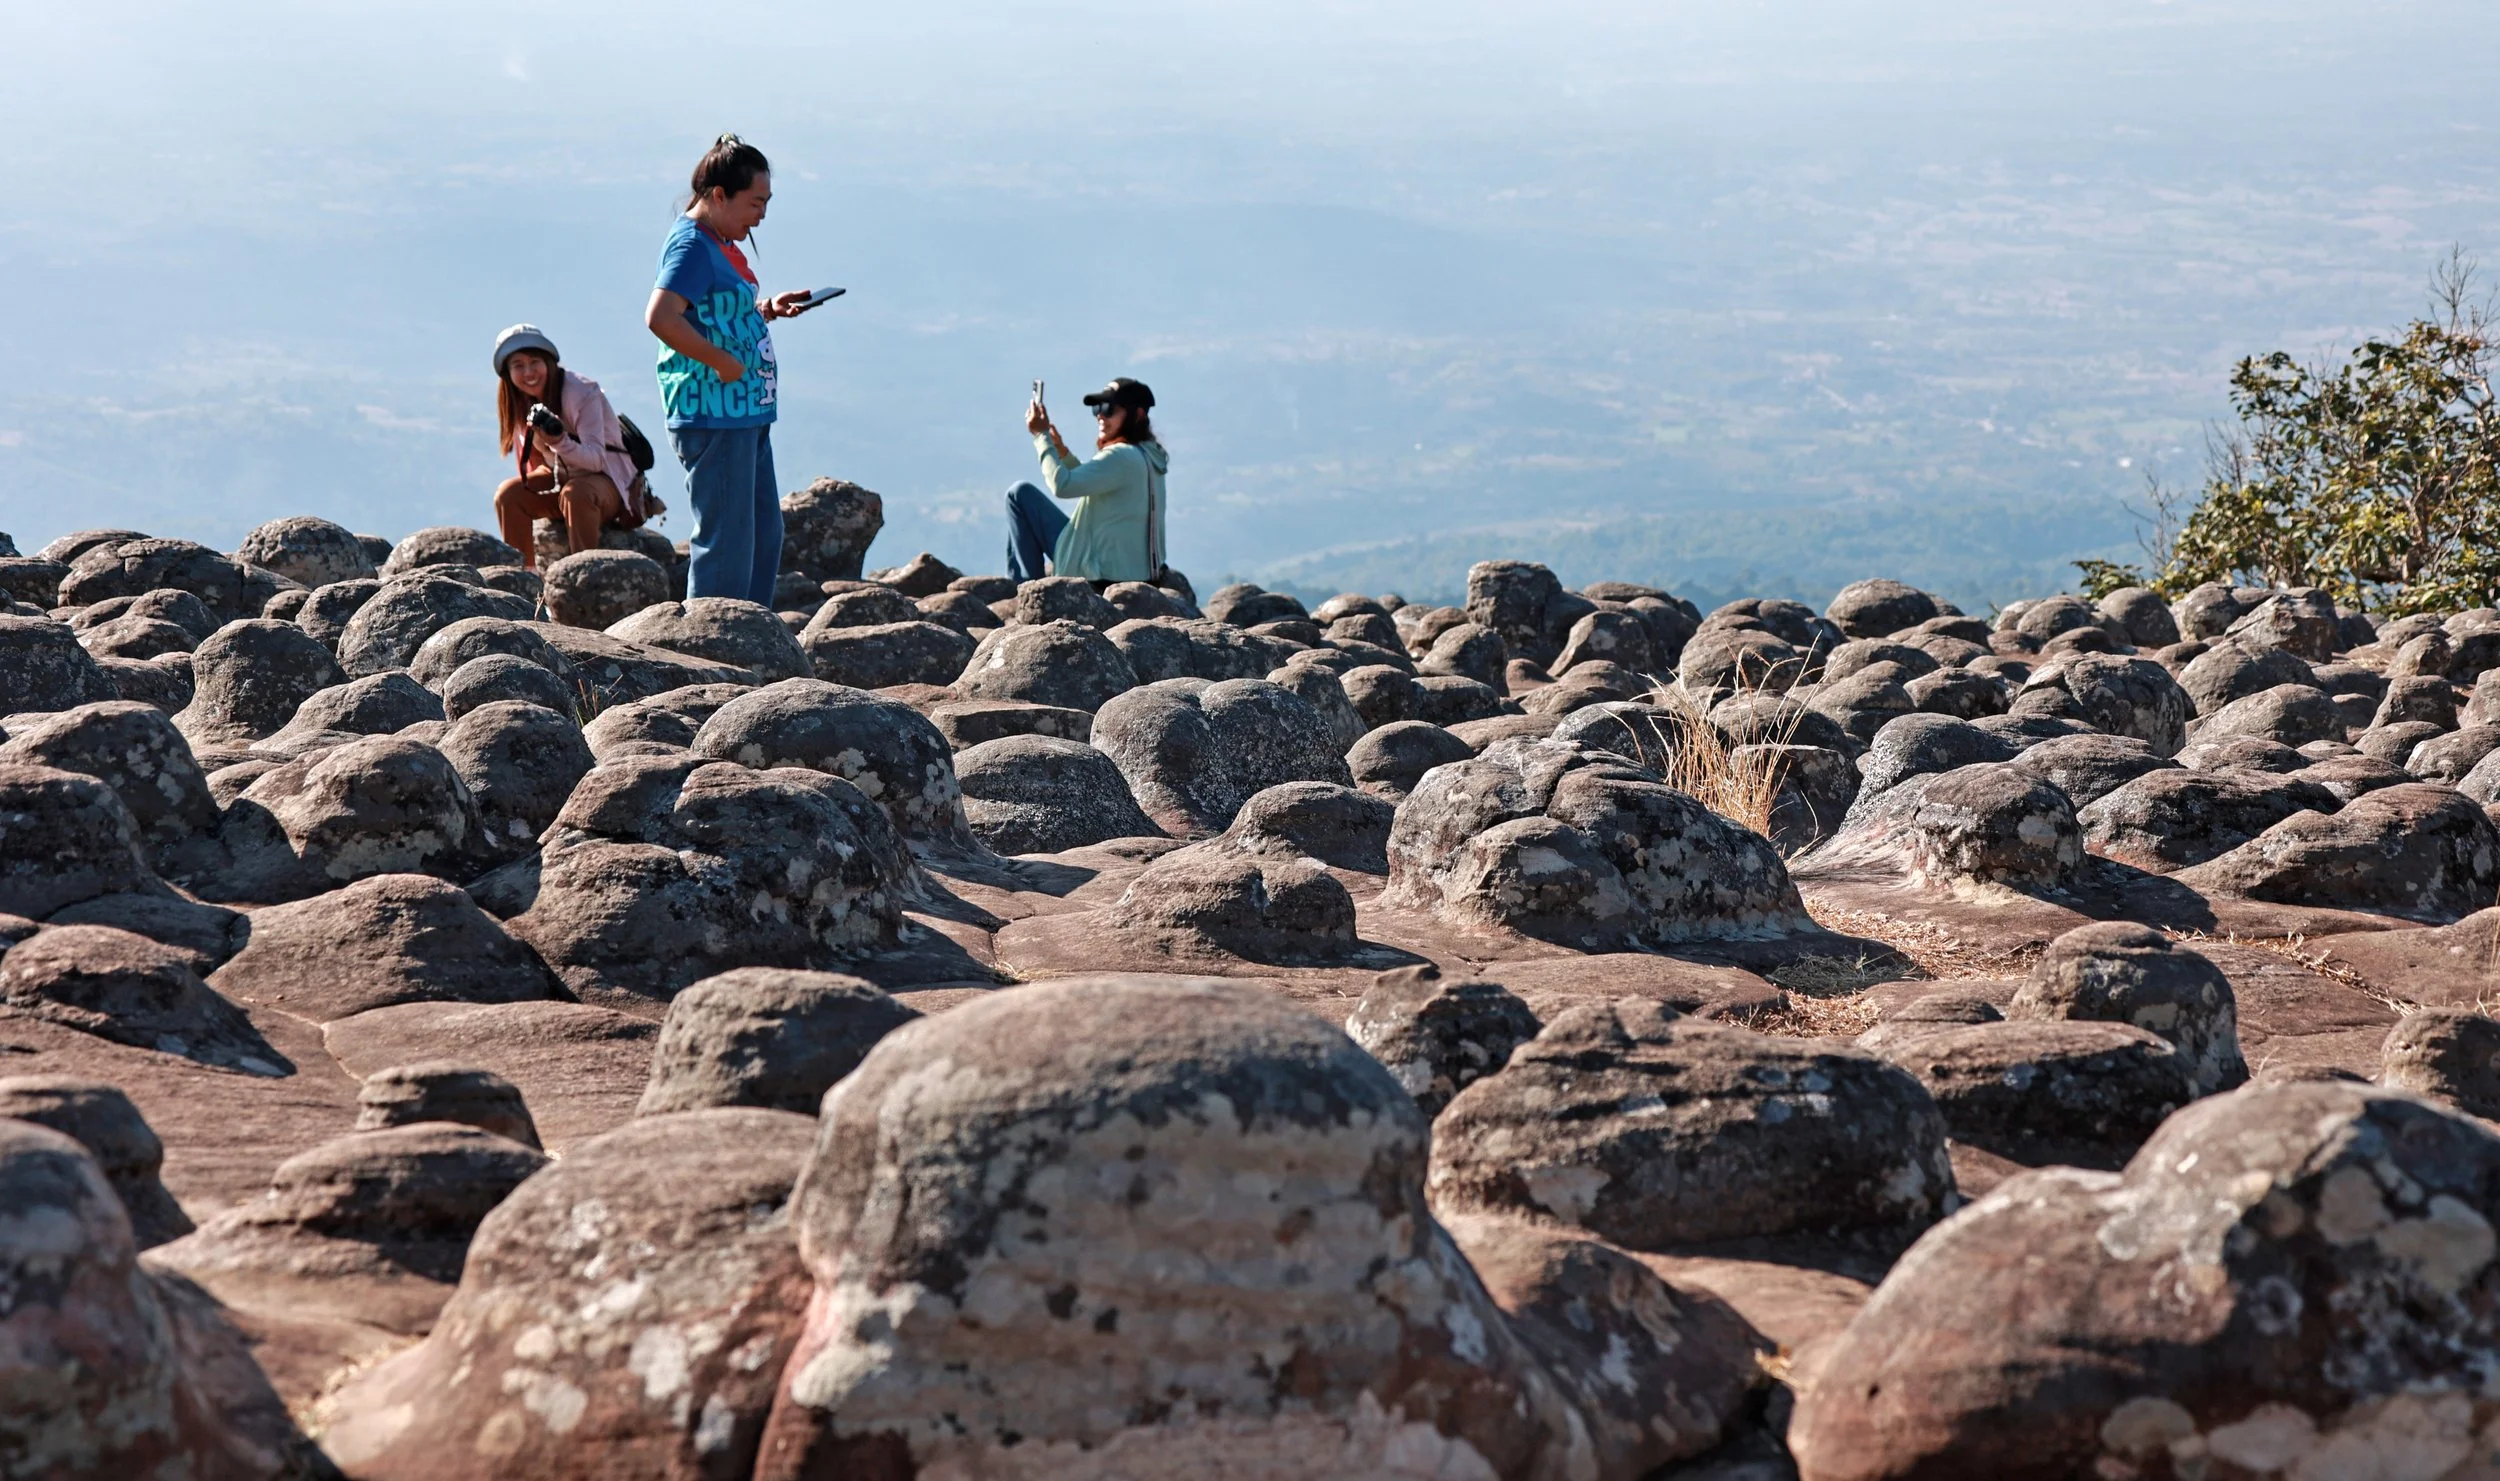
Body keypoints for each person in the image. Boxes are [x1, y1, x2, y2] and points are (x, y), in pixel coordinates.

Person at [644, 134, 825, 605]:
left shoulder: (721, 241)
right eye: (755, 202)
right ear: (718, 195)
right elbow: (661, 317)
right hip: (714, 413)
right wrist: (725, 364)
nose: (761, 214)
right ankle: (715, 648)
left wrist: (764, 309)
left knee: (763, 534)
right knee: (727, 542)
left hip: (745, 412)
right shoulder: (691, 246)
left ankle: (750, 633)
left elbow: (711, 312)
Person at [488, 325, 651, 569]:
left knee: (576, 493)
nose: (529, 372)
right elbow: (531, 464)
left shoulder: (582, 393)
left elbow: (596, 459)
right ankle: (524, 579)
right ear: (507, 374)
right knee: (508, 495)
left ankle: (581, 578)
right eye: (518, 365)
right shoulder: (519, 401)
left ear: (549, 362)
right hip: (559, 476)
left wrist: (559, 441)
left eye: (535, 362)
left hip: (604, 482)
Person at [1010, 377, 1169, 583]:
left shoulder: (1120, 456)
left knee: (1018, 495)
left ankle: (1027, 588)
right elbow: (1090, 481)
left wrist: (1041, 436)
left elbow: (1062, 486)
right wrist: (1062, 452)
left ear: (1137, 415)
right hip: (1141, 574)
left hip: (1104, 576)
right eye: (1098, 409)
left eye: (1110, 409)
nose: (1101, 416)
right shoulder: (1148, 455)